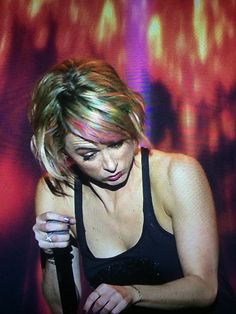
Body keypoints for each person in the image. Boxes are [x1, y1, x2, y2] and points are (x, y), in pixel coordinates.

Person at [29, 58, 235, 314]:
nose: (111, 164)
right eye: (89, 154)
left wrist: (133, 293)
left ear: (131, 121)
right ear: (64, 151)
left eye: (116, 143)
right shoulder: (57, 192)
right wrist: (51, 254)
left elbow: (205, 288)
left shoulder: (177, 174)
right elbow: (62, 307)